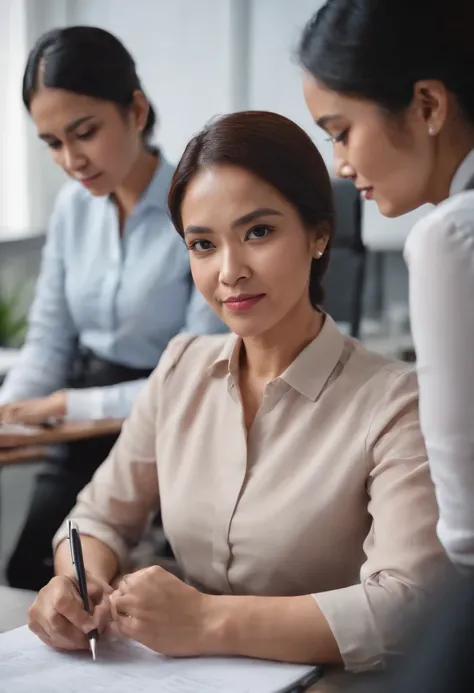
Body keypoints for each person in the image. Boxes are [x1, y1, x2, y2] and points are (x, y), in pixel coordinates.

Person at [27, 111, 450, 672]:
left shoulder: (398, 402)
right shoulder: (181, 366)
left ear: (319, 233)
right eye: (202, 244)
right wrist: (76, 583)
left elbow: (407, 608)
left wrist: (205, 621)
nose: (230, 271)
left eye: (258, 232)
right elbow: (98, 517)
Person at [0, 26, 225, 592]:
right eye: (51, 143)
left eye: (84, 132)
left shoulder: (199, 206)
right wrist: (11, 412)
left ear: (137, 110)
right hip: (80, 425)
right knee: (31, 573)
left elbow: (199, 373)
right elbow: (49, 342)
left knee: (152, 588)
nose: (72, 159)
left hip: (177, 421)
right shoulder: (74, 210)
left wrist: (65, 406)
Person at [298, 0, 474, 569]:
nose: (341, 165)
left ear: (427, 104)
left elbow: (467, 529)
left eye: (342, 132)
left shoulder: (450, 235)